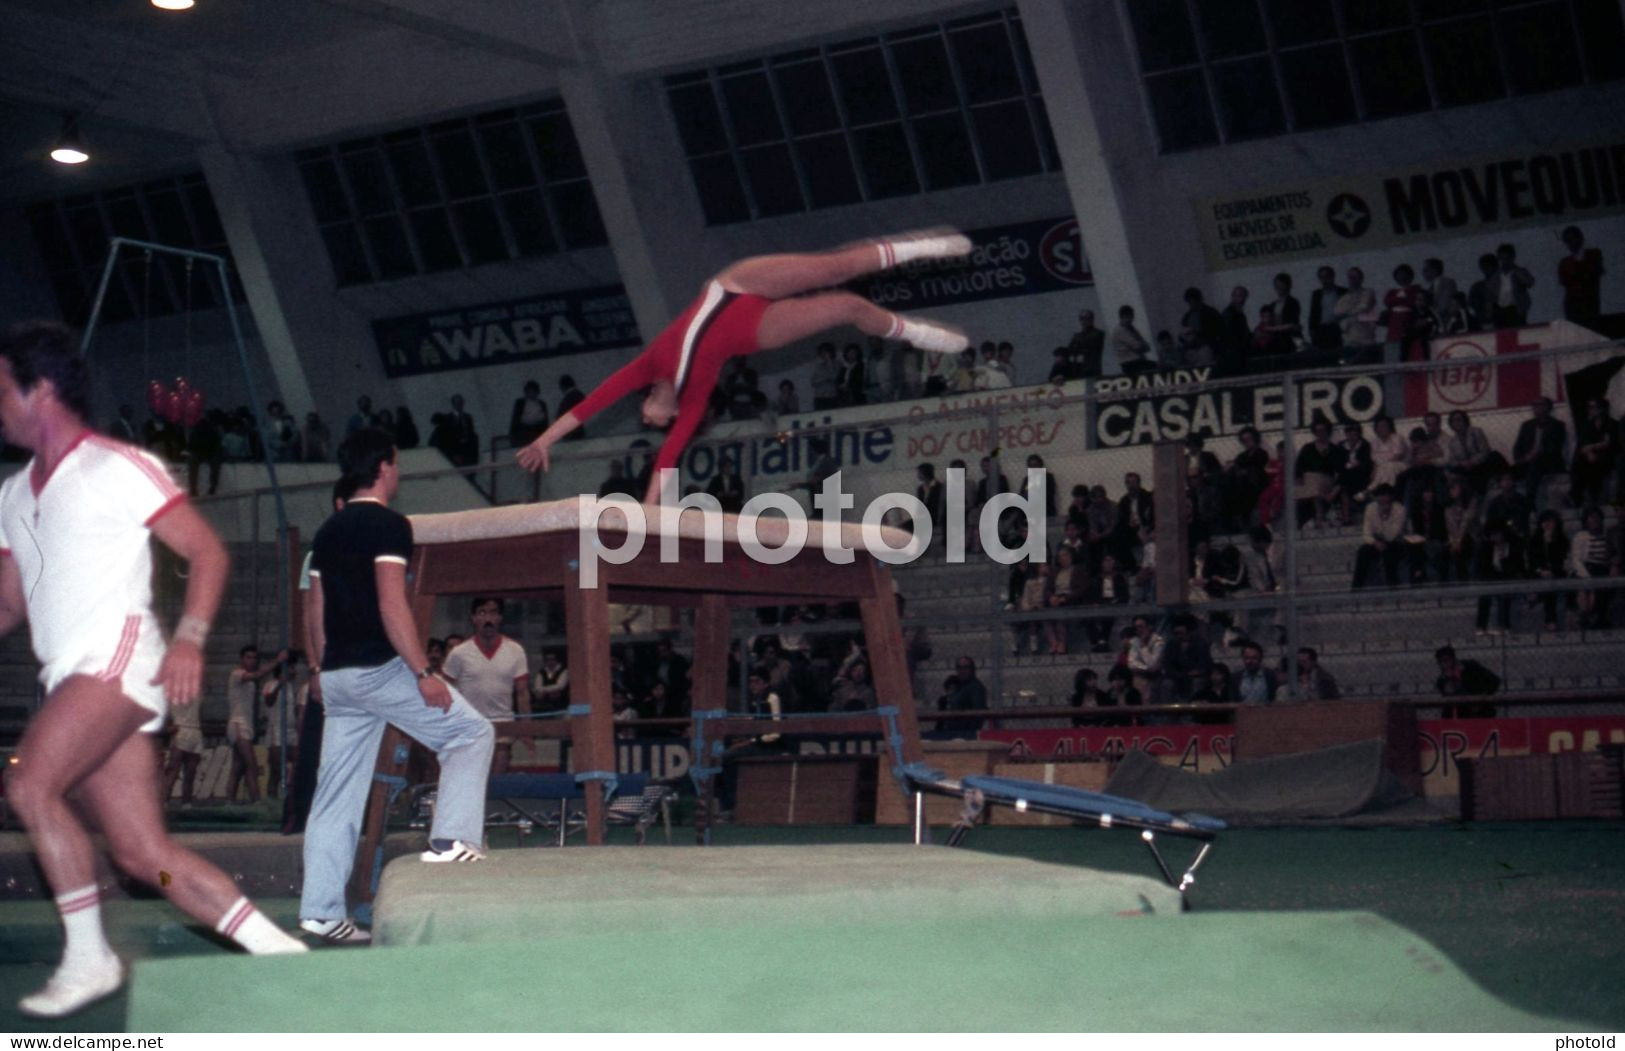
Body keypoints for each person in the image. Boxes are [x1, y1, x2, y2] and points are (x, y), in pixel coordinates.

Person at [0, 322, 306, 1017]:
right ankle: (277, 949)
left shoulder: (116, 465)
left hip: (115, 661)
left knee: (30, 787)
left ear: (40, 389)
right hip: (68, 677)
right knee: (146, 856)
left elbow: (207, 551)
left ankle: (89, 958)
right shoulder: (12, 496)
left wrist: (191, 639)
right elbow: (9, 604)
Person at [517, 232, 970, 500]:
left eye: (645, 418)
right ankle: (909, 331)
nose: (646, 419)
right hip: (754, 330)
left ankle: (921, 247)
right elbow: (668, 458)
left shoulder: (647, 366)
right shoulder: (692, 400)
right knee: (847, 307)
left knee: (834, 268)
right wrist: (650, 509)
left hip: (735, 287)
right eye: (656, 424)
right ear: (671, 416)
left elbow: (591, 404)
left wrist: (544, 440)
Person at [300, 428, 496, 944]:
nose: (399, 471)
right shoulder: (389, 524)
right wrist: (424, 673)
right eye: (397, 463)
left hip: (338, 677)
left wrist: (319, 670)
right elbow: (392, 604)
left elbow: (314, 608)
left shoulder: (327, 530)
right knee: (471, 734)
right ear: (384, 467)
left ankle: (320, 910)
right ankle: (453, 838)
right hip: (380, 670)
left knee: (335, 795)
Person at [442, 597, 531, 772]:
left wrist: (527, 729)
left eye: (493, 612)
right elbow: (445, 690)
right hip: (468, 725)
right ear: (473, 618)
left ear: (500, 617)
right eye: (482, 612)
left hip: (503, 724)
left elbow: (522, 692)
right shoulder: (458, 653)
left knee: (497, 782)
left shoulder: (515, 650)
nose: (488, 618)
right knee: (470, 778)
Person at [225, 644, 281, 804]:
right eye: (248, 657)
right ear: (241, 659)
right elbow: (257, 675)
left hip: (246, 724)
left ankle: (230, 801)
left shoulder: (249, 681)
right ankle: (256, 800)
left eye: (255, 658)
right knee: (251, 763)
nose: (252, 661)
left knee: (238, 765)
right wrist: (277, 661)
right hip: (238, 724)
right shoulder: (237, 674)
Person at [1557, 225, 1605, 326]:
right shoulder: (1564, 262)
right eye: (1567, 241)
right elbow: (1564, 281)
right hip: (1573, 304)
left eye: (1572, 239)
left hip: (1590, 300)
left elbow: (1594, 272)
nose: (1570, 243)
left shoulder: (1593, 254)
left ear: (1580, 238)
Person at [1435, 645, 1500, 718]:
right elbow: (1450, 697)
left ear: (1453, 659)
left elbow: (1495, 681)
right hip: (1460, 715)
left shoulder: (1470, 666)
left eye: (1446, 660)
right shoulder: (1442, 681)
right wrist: (1450, 680)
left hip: (1482, 712)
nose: (1444, 665)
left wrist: (1483, 698)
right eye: (1440, 662)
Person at [1307, 266, 1346, 350]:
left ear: (1332, 276)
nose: (1324, 280)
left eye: (1327, 276)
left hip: (1337, 328)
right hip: (1322, 330)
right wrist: (1312, 331)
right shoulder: (1317, 294)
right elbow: (1313, 314)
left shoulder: (1342, 292)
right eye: (1322, 277)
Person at [1110, 305, 1153, 374]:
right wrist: (1141, 344)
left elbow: (1147, 347)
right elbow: (1137, 346)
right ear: (1122, 317)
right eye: (1129, 317)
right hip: (1130, 364)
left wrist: (1141, 344)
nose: (1131, 320)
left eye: (1131, 317)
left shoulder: (1132, 329)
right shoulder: (1120, 331)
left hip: (1139, 361)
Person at [509, 379, 550, 450]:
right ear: (526, 392)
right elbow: (516, 420)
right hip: (523, 434)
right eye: (529, 391)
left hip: (538, 433)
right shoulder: (520, 403)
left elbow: (545, 421)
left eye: (533, 391)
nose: (531, 393)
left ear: (537, 392)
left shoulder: (542, 404)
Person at [1233, 640, 1277, 705]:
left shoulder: (1269, 675)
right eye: (1247, 658)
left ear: (1260, 659)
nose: (1250, 661)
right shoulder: (1236, 678)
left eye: (1254, 658)